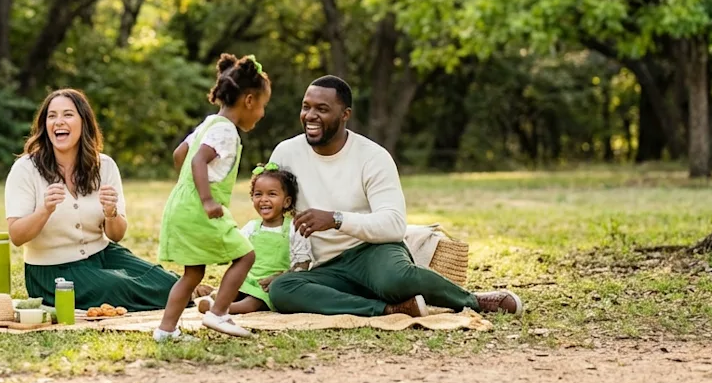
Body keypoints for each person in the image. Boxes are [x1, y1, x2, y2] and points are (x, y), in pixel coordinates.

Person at [266, 76, 524, 319]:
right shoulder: (286, 153)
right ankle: (388, 310)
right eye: (306, 107)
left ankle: (473, 301)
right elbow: (270, 213)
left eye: (322, 109)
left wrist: (336, 219)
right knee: (282, 290)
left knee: (395, 279)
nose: (310, 116)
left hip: (373, 252)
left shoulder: (373, 157)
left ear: (345, 115)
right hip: (326, 268)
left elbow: (394, 224)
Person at [6, 89, 194, 312]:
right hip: (53, 271)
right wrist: (44, 210)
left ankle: (187, 291)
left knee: (168, 284)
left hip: (103, 255)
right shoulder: (26, 169)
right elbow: (16, 236)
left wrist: (111, 212)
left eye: (67, 114)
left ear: (84, 122)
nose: (58, 122)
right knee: (118, 287)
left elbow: (117, 234)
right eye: (51, 116)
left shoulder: (104, 165)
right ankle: (189, 294)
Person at [156, 54, 270, 341]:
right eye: (262, 105)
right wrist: (206, 199)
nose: (262, 114)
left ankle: (166, 331)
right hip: (201, 208)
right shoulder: (226, 131)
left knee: (192, 273)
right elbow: (197, 162)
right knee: (246, 255)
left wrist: (189, 188)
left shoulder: (209, 123)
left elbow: (180, 154)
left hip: (182, 204)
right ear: (248, 100)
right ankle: (219, 314)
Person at [196, 163, 312, 315]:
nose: (263, 199)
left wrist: (283, 277)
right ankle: (218, 299)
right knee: (234, 289)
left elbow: (303, 263)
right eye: (258, 194)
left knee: (253, 302)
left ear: (287, 202)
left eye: (271, 194)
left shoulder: (293, 228)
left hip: (270, 284)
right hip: (247, 279)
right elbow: (236, 249)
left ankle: (225, 309)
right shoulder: (251, 227)